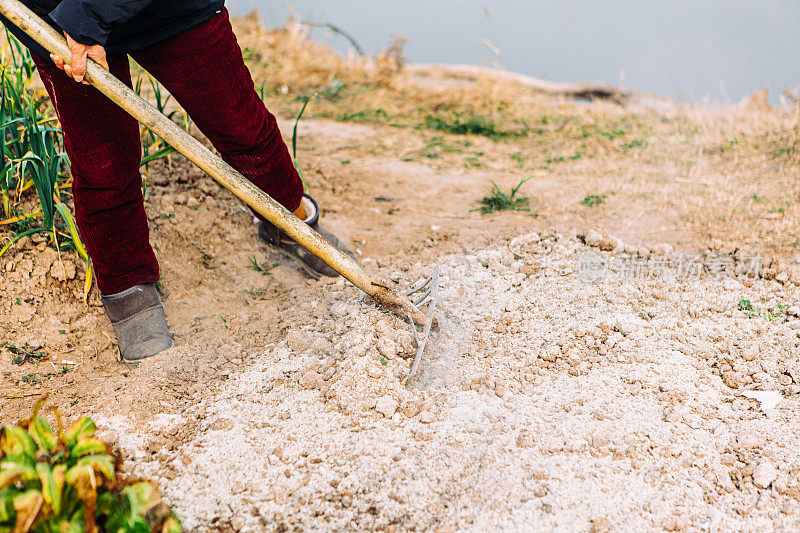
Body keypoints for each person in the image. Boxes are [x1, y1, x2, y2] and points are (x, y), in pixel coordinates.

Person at [2, 0, 357, 362]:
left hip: (169, 9)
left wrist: (88, 17)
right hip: (55, 16)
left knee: (244, 129)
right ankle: (126, 287)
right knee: (103, 163)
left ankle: (291, 222)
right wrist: (74, 24)